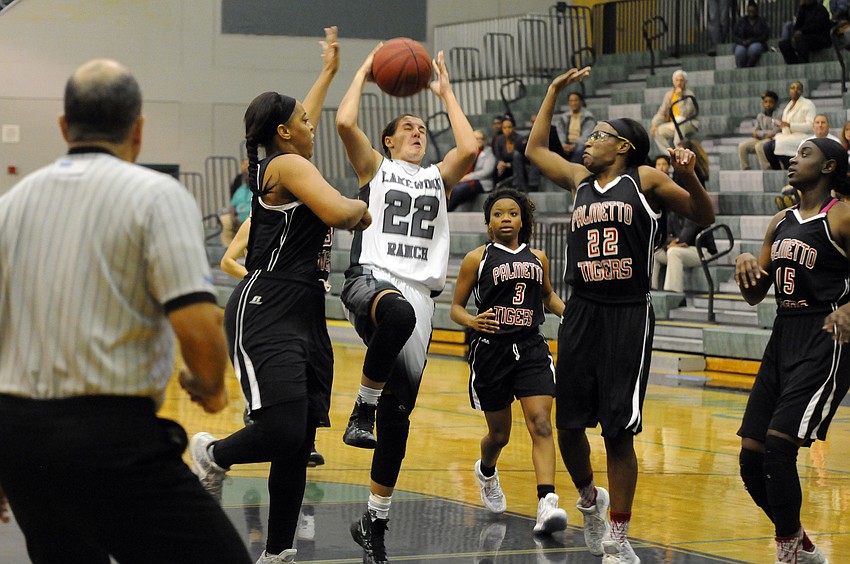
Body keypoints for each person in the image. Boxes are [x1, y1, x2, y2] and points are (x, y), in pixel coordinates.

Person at [0, 58, 252, 564]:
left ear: (64, 126)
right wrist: (211, 387)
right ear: (138, 129)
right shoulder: (157, 196)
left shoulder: (10, 205)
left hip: (19, 438)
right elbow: (198, 327)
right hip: (109, 440)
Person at [189, 27, 372, 564]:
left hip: (305, 310)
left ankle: (277, 552)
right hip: (267, 306)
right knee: (284, 429)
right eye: (304, 122)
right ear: (284, 132)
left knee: (297, 443)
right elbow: (341, 213)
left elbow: (300, 119)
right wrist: (364, 205)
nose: (312, 125)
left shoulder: (286, 157)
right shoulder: (288, 165)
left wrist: (328, 73)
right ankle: (213, 454)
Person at [526, 67, 715, 564]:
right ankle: (590, 500)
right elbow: (535, 150)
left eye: (599, 135)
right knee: (569, 426)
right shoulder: (580, 180)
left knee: (617, 431)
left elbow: (704, 216)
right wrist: (553, 92)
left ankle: (619, 535)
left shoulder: (644, 179)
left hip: (627, 312)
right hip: (582, 309)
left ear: (624, 146)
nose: (589, 142)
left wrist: (689, 175)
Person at [336, 45, 477, 564]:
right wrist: (362, 71)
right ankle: (361, 407)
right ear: (389, 141)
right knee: (395, 312)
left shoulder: (438, 176)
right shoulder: (375, 167)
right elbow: (345, 122)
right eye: (408, 128)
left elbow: (470, 146)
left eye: (422, 128)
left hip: (420, 295)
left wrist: (446, 93)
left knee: (398, 419)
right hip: (371, 280)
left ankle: (374, 520)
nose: (418, 132)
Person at [734, 137, 850, 564]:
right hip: (783, 334)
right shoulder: (780, 221)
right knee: (751, 459)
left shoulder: (841, 217)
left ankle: (788, 554)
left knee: (779, 448)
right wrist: (746, 266)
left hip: (826, 335)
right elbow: (755, 295)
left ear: (829, 167)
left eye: (805, 154)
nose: (792, 160)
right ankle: (800, 542)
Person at [450, 188, 568, 535]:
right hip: (492, 351)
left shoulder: (538, 258)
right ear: (488, 223)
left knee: (541, 424)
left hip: (531, 348)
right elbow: (456, 307)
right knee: (499, 435)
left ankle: (547, 503)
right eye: (498, 214)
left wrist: (572, 316)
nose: (505, 219)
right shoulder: (476, 259)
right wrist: (472, 321)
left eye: (512, 214)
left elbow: (547, 296)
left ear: (522, 220)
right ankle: (486, 470)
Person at [219, 217, 328, 468]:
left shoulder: (316, 222)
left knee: (306, 379)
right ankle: (257, 416)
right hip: (267, 302)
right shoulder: (257, 221)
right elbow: (227, 261)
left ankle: (306, 440)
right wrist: (260, 280)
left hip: (304, 304)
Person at [757, 81, 817, 170]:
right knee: (767, 146)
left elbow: (810, 126)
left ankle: (788, 168)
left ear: (802, 91)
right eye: (793, 88)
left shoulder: (808, 104)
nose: (795, 90)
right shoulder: (789, 105)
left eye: (798, 88)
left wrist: (790, 125)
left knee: (776, 146)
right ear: (789, 90)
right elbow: (785, 124)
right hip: (788, 136)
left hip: (802, 136)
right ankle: (777, 170)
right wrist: (781, 125)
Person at [649, 69, 699, 156]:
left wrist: (680, 97)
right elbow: (662, 111)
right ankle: (670, 154)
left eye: (681, 80)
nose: (679, 83)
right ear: (673, 82)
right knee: (657, 132)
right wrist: (654, 124)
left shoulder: (689, 95)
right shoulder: (669, 95)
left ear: (685, 82)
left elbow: (685, 113)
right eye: (677, 80)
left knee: (679, 120)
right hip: (674, 124)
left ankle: (678, 149)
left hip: (688, 123)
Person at [447, 129, 497, 211]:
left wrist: (467, 177)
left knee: (458, 190)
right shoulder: (469, 152)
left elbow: (487, 172)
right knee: (451, 188)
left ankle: (447, 210)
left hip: (481, 182)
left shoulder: (488, 152)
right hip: (465, 180)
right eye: (476, 138)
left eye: (481, 138)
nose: (479, 141)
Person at [738, 90, 780, 170]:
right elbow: (755, 132)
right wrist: (763, 134)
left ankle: (767, 169)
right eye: (766, 102)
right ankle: (745, 168)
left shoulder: (779, 114)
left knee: (759, 146)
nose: (768, 104)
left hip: (774, 140)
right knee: (742, 146)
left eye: (771, 102)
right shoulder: (760, 115)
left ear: (775, 103)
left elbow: (775, 132)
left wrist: (761, 134)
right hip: (762, 139)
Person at [779, 0, 831, 64]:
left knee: (800, 39)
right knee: (783, 44)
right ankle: (793, 63)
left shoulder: (820, 9)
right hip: (804, 36)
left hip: (819, 38)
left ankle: (803, 63)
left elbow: (817, 26)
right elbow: (797, 25)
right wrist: (794, 34)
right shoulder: (803, 9)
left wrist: (802, 31)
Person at [554, 91, 597, 164]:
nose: (573, 103)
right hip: (566, 143)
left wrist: (574, 145)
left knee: (579, 149)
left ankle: (571, 169)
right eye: (571, 101)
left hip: (581, 144)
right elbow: (560, 132)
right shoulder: (564, 117)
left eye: (576, 100)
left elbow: (587, 135)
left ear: (581, 102)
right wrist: (563, 144)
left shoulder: (588, 117)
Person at [220, 158, 253, 246]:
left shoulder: (258, 189)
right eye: (246, 176)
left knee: (249, 222)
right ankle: (228, 247)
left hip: (250, 217)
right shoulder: (240, 189)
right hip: (238, 216)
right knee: (224, 220)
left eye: (249, 175)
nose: (247, 177)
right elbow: (232, 205)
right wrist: (232, 217)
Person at [732, 1, 771, 68]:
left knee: (753, 49)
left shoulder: (761, 21)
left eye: (753, 11)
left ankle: (748, 67)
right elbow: (734, 35)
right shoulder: (741, 21)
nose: (751, 13)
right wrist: (742, 41)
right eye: (749, 11)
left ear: (756, 11)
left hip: (757, 42)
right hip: (742, 43)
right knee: (739, 52)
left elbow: (765, 35)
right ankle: (741, 69)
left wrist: (752, 40)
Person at [493, 115, 521, 187]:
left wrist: (508, 165)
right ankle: (498, 187)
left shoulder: (519, 139)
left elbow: (521, 158)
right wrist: (501, 163)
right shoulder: (499, 139)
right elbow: (498, 156)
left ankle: (517, 186)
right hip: (504, 166)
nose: (507, 130)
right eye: (504, 128)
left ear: (513, 128)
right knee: (498, 166)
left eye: (509, 127)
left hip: (517, 166)